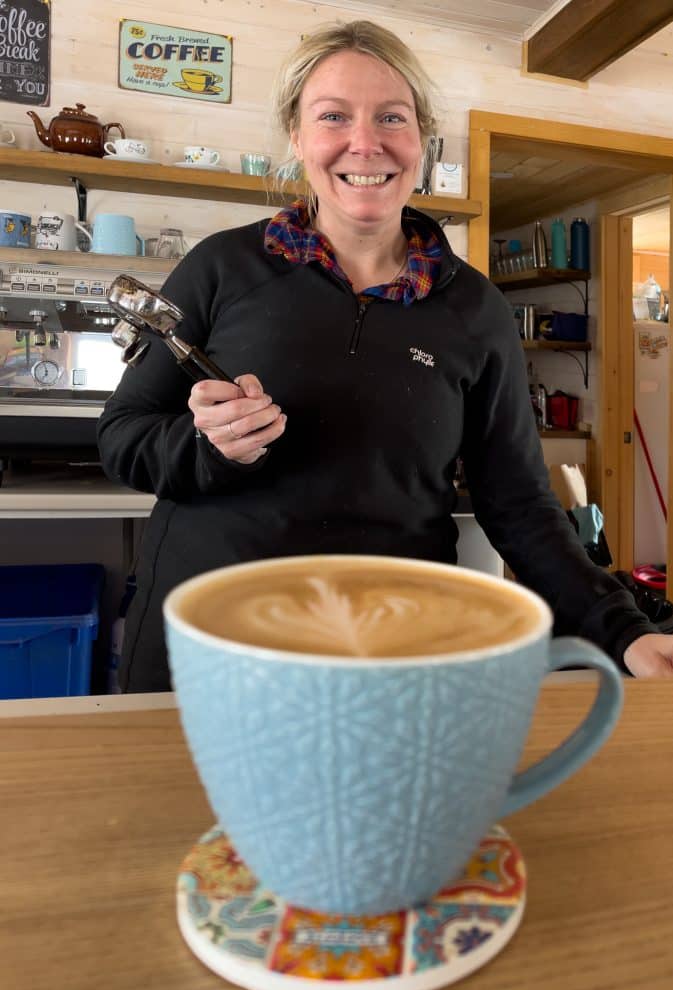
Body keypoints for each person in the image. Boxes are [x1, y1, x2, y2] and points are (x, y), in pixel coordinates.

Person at [97, 19, 673, 692]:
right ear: (297, 138)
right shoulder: (222, 267)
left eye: (390, 117)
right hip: (209, 637)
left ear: (420, 140)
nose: (363, 143)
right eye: (332, 116)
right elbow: (122, 436)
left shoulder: (475, 309)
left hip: (392, 645)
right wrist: (209, 448)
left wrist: (622, 629)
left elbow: (519, 504)